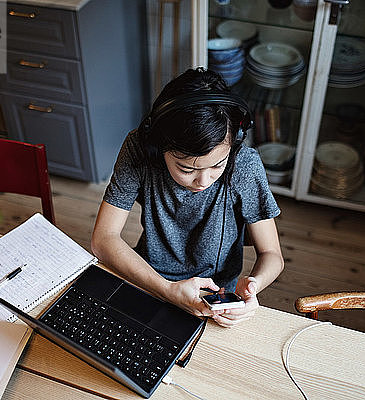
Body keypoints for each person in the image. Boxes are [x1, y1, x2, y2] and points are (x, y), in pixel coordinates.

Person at [91, 68, 284, 328]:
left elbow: (272, 254)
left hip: (214, 296)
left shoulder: (244, 166)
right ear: (157, 148)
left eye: (218, 165)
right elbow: (103, 240)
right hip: (147, 278)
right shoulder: (139, 148)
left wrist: (254, 285)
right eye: (187, 169)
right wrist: (167, 289)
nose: (204, 181)